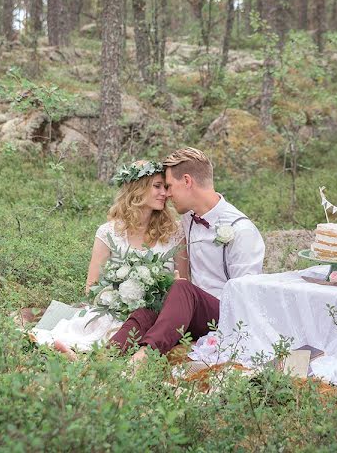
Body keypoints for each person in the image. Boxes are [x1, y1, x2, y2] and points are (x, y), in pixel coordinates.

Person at [109, 147, 265, 363]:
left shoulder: (241, 229)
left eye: (170, 186)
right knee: (151, 308)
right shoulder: (187, 220)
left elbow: (245, 298)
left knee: (181, 287)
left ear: (187, 181)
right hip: (190, 309)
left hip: (227, 315)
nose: (167, 193)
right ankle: (103, 359)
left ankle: (145, 357)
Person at [37, 160, 186, 353]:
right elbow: (92, 286)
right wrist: (120, 301)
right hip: (115, 310)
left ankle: (99, 358)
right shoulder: (109, 232)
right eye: (157, 186)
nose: (164, 193)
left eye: (165, 187)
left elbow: (183, 282)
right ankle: (80, 354)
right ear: (137, 189)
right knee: (92, 330)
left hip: (158, 314)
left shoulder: (174, 231)